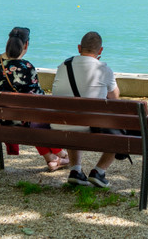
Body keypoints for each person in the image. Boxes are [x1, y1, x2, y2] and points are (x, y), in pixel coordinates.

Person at [0, 27, 69, 171]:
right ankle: (60, 153)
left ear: (8, 43)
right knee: (38, 117)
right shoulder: (27, 67)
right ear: (26, 45)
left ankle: (52, 159)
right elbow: (39, 100)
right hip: (19, 122)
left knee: (33, 117)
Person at [51, 31, 123, 189]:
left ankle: (76, 170)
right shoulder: (104, 69)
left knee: (72, 114)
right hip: (91, 128)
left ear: (79, 48)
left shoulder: (63, 66)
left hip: (61, 125)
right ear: (100, 51)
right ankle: (99, 172)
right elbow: (115, 98)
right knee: (120, 127)